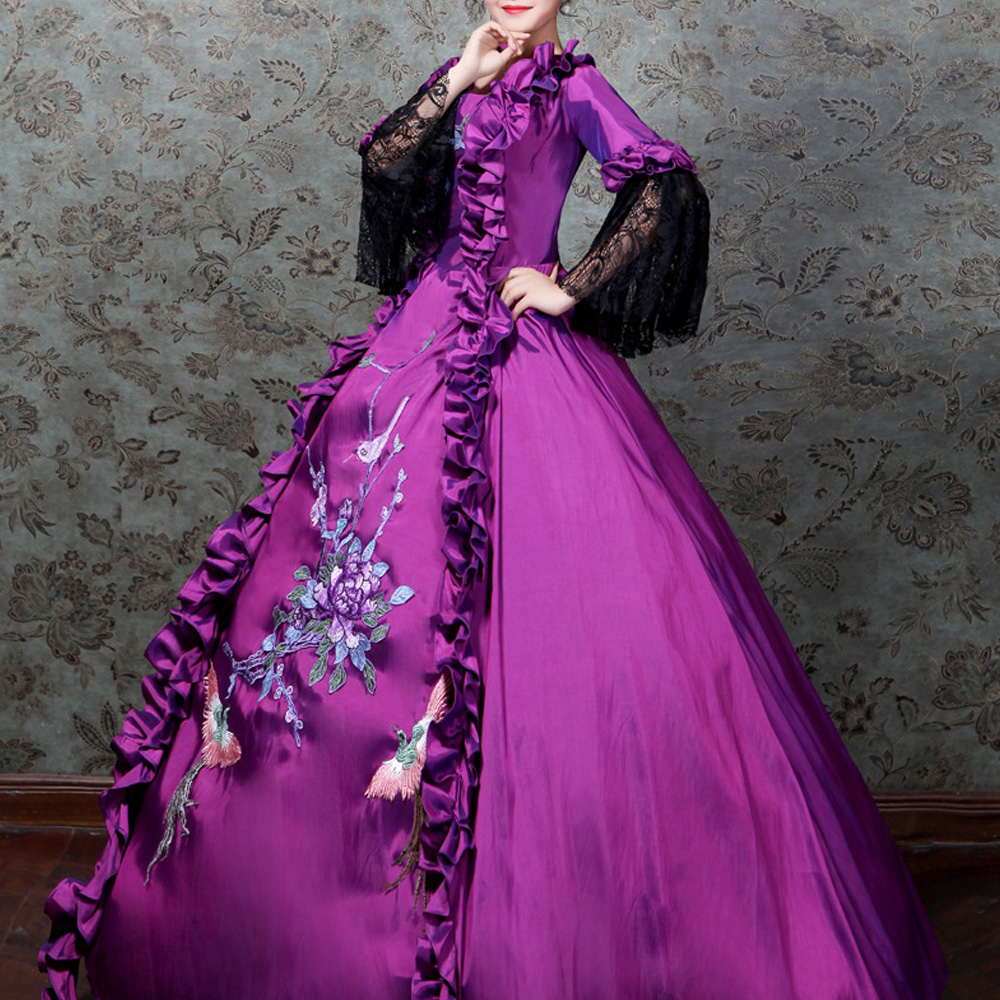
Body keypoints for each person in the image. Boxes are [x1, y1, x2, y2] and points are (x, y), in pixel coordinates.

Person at [41, 2, 947, 998]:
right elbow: (387, 163)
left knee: (554, 609)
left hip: (524, 362)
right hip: (416, 348)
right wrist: (458, 78)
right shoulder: (469, 69)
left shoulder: (573, 86)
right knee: (335, 586)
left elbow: (663, 182)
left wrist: (570, 285)